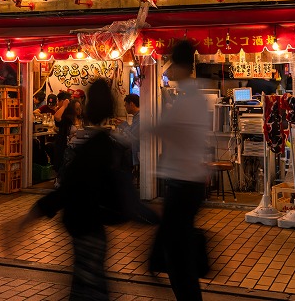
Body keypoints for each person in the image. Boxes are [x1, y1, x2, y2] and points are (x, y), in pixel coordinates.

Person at [21, 79, 125, 301]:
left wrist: (32, 215)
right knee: (92, 285)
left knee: (87, 287)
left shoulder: (93, 148)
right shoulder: (107, 145)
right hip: (95, 227)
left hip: (84, 225)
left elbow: (66, 190)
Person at [149, 39, 212, 300]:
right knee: (176, 243)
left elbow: (161, 128)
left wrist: (138, 130)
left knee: (178, 256)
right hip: (191, 181)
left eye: (171, 64)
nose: (169, 70)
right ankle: (155, 262)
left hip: (183, 183)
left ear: (181, 66)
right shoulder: (194, 97)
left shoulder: (187, 100)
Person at [113, 93, 141, 171]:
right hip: (133, 148)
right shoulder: (136, 117)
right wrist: (124, 124)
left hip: (136, 151)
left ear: (131, 104)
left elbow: (132, 136)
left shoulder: (140, 117)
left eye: (125, 105)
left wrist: (123, 125)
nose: (125, 107)